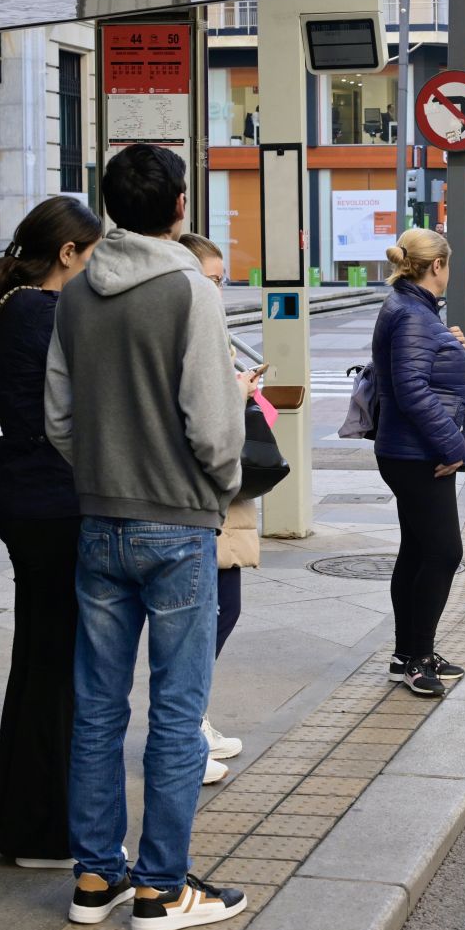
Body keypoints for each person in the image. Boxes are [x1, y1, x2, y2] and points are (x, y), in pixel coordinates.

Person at [44, 144, 249, 930]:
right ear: (179, 206)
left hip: (99, 521)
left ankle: (96, 877)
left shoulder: (73, 295)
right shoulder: (187, 288)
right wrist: (217, 485)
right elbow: (212, 418)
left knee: (96, 707)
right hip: (178, 524)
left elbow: (59, 420)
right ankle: (163, 889)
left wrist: (103, 474)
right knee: (175, 709)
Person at [0, 197, 102, 868]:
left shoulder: (13, 304)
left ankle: (18, 812)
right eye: (92, 254)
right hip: (51, 500)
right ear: (67, 253)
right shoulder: (43, 311)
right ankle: (39, 828)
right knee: (56, 666)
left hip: (27, 494)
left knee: (39, 660)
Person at [372, 228, 465, 698]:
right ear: (438, 266)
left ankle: (405, 655)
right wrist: (453, 446)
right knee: (443, 553)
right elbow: (413, 390)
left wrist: (452, 344)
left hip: (408, 450)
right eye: (450, 263)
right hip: (419, 454)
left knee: (416, 551)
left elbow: (421, 370)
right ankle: (419, 659)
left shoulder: (411, 308)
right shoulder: (413, 315)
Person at [181, 233, 266, 765]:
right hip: (199, 496)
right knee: (201, 618)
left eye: (223, 280)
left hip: (217, 498)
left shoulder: (211, 331)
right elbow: (205, 424)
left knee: (221, 608)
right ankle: (186, 731)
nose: (220, 290)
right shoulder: (189, 331)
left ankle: (193, 721)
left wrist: (242, 390)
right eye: (213, 280)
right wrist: (235, 396)